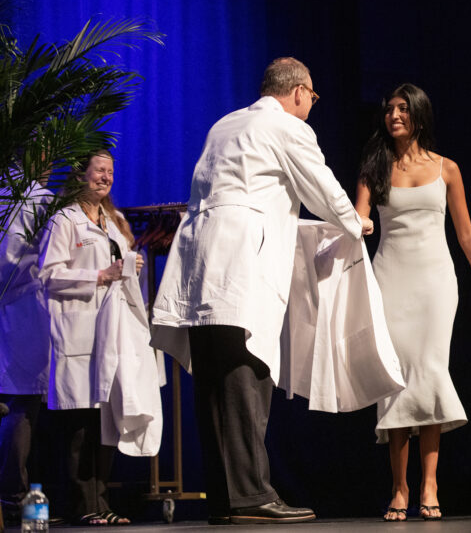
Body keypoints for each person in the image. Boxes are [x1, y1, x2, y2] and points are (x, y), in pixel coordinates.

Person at [150, 57, 374, 525]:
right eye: (312, 96)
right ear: (298, 92)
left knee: (212, 382)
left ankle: (226, 499)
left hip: (199, 266)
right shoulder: (287, 128)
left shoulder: (225, 124)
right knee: (246, 377)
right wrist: (356, 223)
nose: (312, 104)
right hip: (241, 268)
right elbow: (323, 187)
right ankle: (251, 496)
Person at [355, 83, 471, 521]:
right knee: (398, 378)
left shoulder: (447, 169)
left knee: (431, 372)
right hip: (389, 281)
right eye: (390, 109)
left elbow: (466, 233)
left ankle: (430, 483)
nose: (394, 115)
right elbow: (358, 217)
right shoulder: (374, 168)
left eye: (403, 108)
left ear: (419, 114)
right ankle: (399, 487)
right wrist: (359, 224)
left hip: (436, 283)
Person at [38, 150, 144, 526]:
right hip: (77, 332)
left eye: (110, 171)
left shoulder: (113, 223)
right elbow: (48, 275)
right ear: (80, 175)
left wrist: (130, 265)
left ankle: (103, 503)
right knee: (80, 425)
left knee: (106, 421)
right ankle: (83, 504)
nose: (106, 177)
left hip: (110, 334)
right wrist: (99, 275)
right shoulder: (63, 221)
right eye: (99, 170)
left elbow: (120, 269)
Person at [0, 168, 52, 525]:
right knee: (21, 403)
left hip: (17, 307)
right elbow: (14, 260)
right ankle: (14, 496)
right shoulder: (34, 197)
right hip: (20, 308)